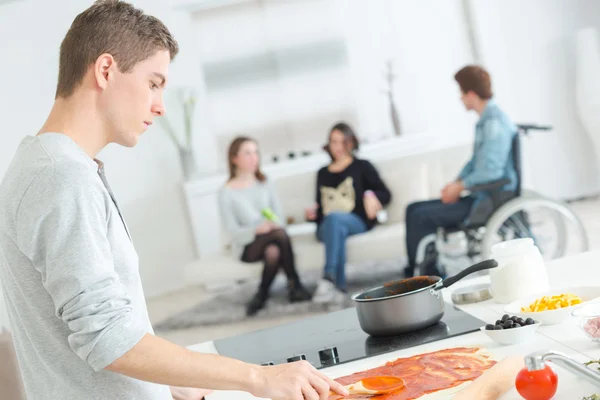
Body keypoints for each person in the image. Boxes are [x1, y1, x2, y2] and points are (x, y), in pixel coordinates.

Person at [0, 2, 348, 400]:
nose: (161, 105)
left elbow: (83, 331)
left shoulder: (45, 165)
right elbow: (107, 337)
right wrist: (258, 378)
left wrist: (173, 383)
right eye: (153, 83)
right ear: (105, 70)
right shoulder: (60, 177)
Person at [403, 65, 518, 278]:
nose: (460, 98)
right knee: (412, 208)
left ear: (471, 94)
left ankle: (424, 277)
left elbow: (491, 170)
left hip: (488, 199)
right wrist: (456, 183)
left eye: (461, 93)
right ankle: (416, 270)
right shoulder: (486, 120)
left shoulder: (493, 122)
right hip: (479, 193)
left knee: (420, 217)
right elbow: (476, 162)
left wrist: (461, 186)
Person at [219, 136, 312, 316]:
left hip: (273, 237)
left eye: (256, 152)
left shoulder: (265, 182)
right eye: (248, 153)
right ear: (234, 158)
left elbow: (280, 220)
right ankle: (295, 284)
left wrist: (271, 225)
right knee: (278, 235)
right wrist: (256, 230)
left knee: (273, 251)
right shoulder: (226, 193)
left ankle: (262, 294)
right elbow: (232, 232)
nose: (254, 158)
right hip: (247, 245)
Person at [306, 122, 392, 304]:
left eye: (341, 141)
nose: (337, 147)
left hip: (357, 221)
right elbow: (321, 210)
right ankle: (338, 286)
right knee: (335, 224)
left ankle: (329, 278)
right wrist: (313, 214)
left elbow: (386, 194)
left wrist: (370, 194)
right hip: (328, 225)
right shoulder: (322, 173)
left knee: (336, 221)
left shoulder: (362, 166)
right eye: (333, 142)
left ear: (351, 143)